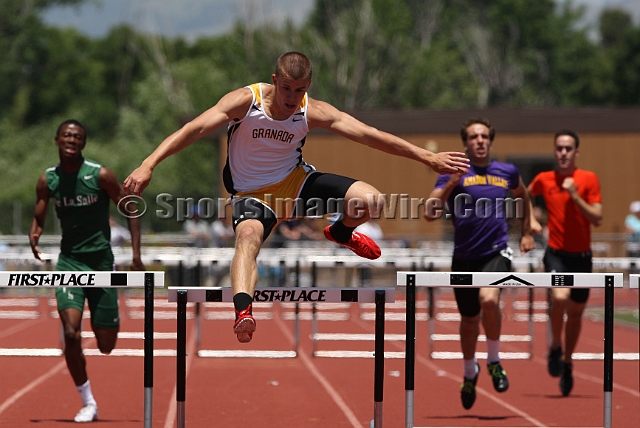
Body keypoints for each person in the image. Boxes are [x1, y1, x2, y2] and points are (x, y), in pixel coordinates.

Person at [124, 51, 469, 344]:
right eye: (286, 89)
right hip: (251, 194)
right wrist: (148, 163)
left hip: (297, 185)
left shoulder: (311, 110)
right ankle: (243, 310)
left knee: (372, 200)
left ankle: (342, 232)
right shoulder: (246, 101)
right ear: (274, 80)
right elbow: (193, 130)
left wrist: (428, 157)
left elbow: (370, 135)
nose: (291, 98)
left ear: (308, 88)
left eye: (299, 90)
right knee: (247, 237)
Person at [29, 119, 145, 423]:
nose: (71, 139)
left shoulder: (100, 175)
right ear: (57, 140)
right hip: (69, 263)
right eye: (66, 135)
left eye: (77, 136)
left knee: (106, 345)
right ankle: (88, 402)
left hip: (101, 264)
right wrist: (35, 234)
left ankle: (101, 312)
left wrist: (136, 254)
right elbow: (39, 212)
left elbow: (130, 207)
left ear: (83, 143)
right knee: (70, 334)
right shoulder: (48, 180)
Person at [425, 117, 538, 410]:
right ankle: (468, 372)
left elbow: (523, 194)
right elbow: (429, 212)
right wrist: (450, 181)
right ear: (465, 143)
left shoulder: (506, 171)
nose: (480, 140)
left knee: (489, 301)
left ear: (490, 140)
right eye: (474, 136)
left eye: (484, 136)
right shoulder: (454, 171)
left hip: (496, 251)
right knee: (469, 319)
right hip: (463, 256)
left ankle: (494, 360)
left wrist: (527, 229)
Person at [528, 130, 602, 397]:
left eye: (568, 149)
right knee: (560, 298)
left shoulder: (588, 179)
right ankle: (555, 346)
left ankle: (568, 360)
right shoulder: (544, 179)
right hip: (555, 253)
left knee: (577, 313)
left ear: (576, 152)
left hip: (582, 256)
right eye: (559, 148)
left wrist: (575, 195)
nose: (563, 153)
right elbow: (523, 196)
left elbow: (597, 217)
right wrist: (531, 221)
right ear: (554, 150)